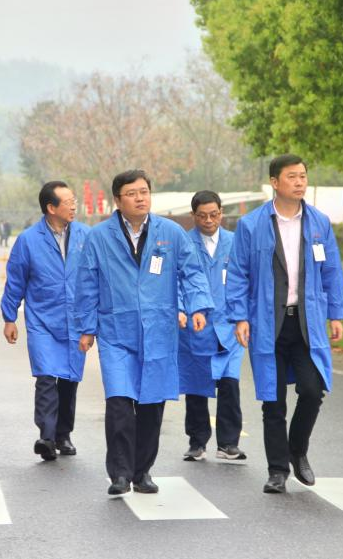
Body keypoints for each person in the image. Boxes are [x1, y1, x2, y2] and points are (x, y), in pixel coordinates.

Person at [75, 170, 214, 496]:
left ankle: (142, 471)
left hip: (159, 331)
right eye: (132, 193)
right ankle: (120, 474)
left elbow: (192, 272)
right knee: (120, 402)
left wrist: (198, 307)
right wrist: (86, 328)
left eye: (144, 192)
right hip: (116, 332)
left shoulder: (171, 233)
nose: (140, 198)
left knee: (152, 405)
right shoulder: (99, 237)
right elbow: (86, 284)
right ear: (118, 200)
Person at [226, 153, 343, 494]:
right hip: (268, 323)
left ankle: (297, 450)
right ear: (275, 182)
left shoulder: (319, 223)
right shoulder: (251, 225)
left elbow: (331, 270)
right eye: (292, 176)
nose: (299, 182)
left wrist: (336, 313)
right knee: (273, 399)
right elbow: (237, 274)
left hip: (307, 322)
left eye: (303, 176)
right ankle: (277, 470)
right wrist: (239, 317)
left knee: (313, 389)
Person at [1, 181, 90, 461]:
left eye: (74, 200)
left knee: (69, 380)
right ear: (51, 207)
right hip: (42, 319)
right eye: (68, 202)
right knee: (46, 377)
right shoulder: (28, 240)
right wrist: (10, 317)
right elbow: (16, 280)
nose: (74, 206)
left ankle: (64, 434)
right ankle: (47, 436)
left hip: (76, 320)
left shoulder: (86, 236)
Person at [178, 191, 246, 463]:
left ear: (221, 213)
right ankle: (197, 442)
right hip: (197, 324)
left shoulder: (235, 242)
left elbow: (245, 281)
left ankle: (228, 443)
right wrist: (181, 309)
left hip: (229, 325)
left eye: (214, 215)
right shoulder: (184, 243)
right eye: (202, 216)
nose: (209, 221)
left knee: (230, 383)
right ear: (193, 215)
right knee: (197, 385)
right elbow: (176, 280)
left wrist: (244, 317)